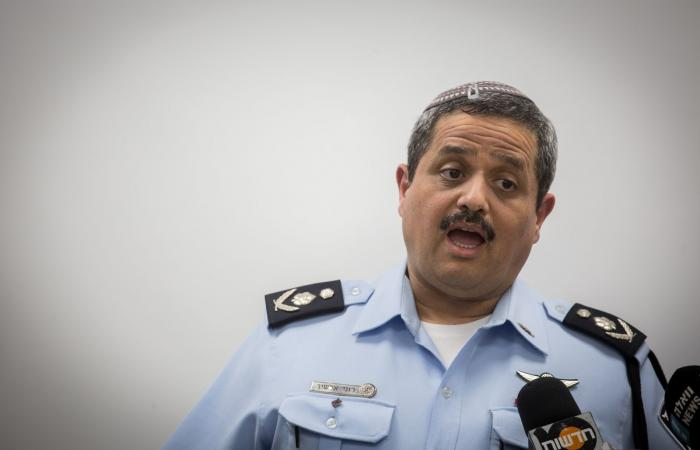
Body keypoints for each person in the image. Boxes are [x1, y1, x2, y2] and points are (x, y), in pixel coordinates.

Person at [162, 81, 678, 449]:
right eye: (452, 172)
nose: (473, 199)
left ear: (539, 216)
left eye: (506, 183)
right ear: (404, 189)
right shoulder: (289, 343)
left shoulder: (616, 369)